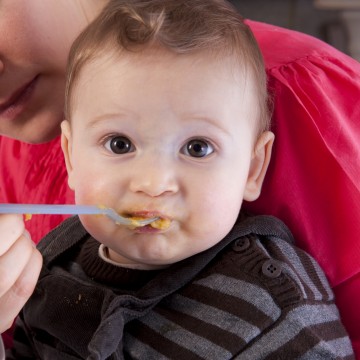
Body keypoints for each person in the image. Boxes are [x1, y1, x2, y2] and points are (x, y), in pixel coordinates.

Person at [1, 0, 360, 357]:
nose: (154, 184)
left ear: (253, 169)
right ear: (71, 156)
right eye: (119, 144)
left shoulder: (275, 311)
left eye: (198, 148)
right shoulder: (50, 264)